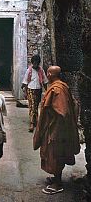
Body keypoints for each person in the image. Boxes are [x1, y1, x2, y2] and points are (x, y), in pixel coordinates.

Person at [33, 66, 80, 195]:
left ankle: (57, 184)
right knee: (54, 154)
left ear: (49, 74)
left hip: (57, 129)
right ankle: (56, 177)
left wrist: (55, 132)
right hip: (54, 126)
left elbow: (62, 112)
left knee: (55, 155)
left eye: (48, 72)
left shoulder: (57, 90)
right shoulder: (62, 86)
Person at [21, 54, 48, 132]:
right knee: (32, 105)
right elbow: (25, 80)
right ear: (32, 62)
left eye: (37, 63)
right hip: (30, 89)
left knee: (36, 106)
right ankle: (32, 123)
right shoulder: (29, 70)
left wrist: (47, 90)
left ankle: (36, 120)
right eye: (34, 62)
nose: (35, 64)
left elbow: (45, 81)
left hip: (38, 90)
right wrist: (23, 87)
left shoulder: (41, 70)